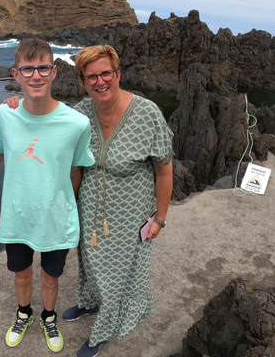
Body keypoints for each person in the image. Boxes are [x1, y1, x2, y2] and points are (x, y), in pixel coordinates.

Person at [64, 45, 173, 357]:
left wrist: (160, 219)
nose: (100, 82)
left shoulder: (148, 114)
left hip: (129, 215)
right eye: (91, 77)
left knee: (115, 274)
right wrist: (18, 103)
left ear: (118, 74)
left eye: (105, 74)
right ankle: (89, 302)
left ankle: (101, 333)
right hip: (89, 209)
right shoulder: (80, 114)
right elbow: (68, 160)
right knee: (89, 261)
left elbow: (164, 171)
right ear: (83, 82)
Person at [0, 38, 95, 353]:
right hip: (17, 216)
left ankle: (49, 317)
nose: (36, 75)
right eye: (28, 69)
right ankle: (24, 313)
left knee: (51, 279)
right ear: (16, 74)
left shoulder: (77, 123)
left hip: (55, 218)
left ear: (53, 72)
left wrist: (66, 204)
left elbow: (77, 170)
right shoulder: (5, 114)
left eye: (43, 68)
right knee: (21, 277)